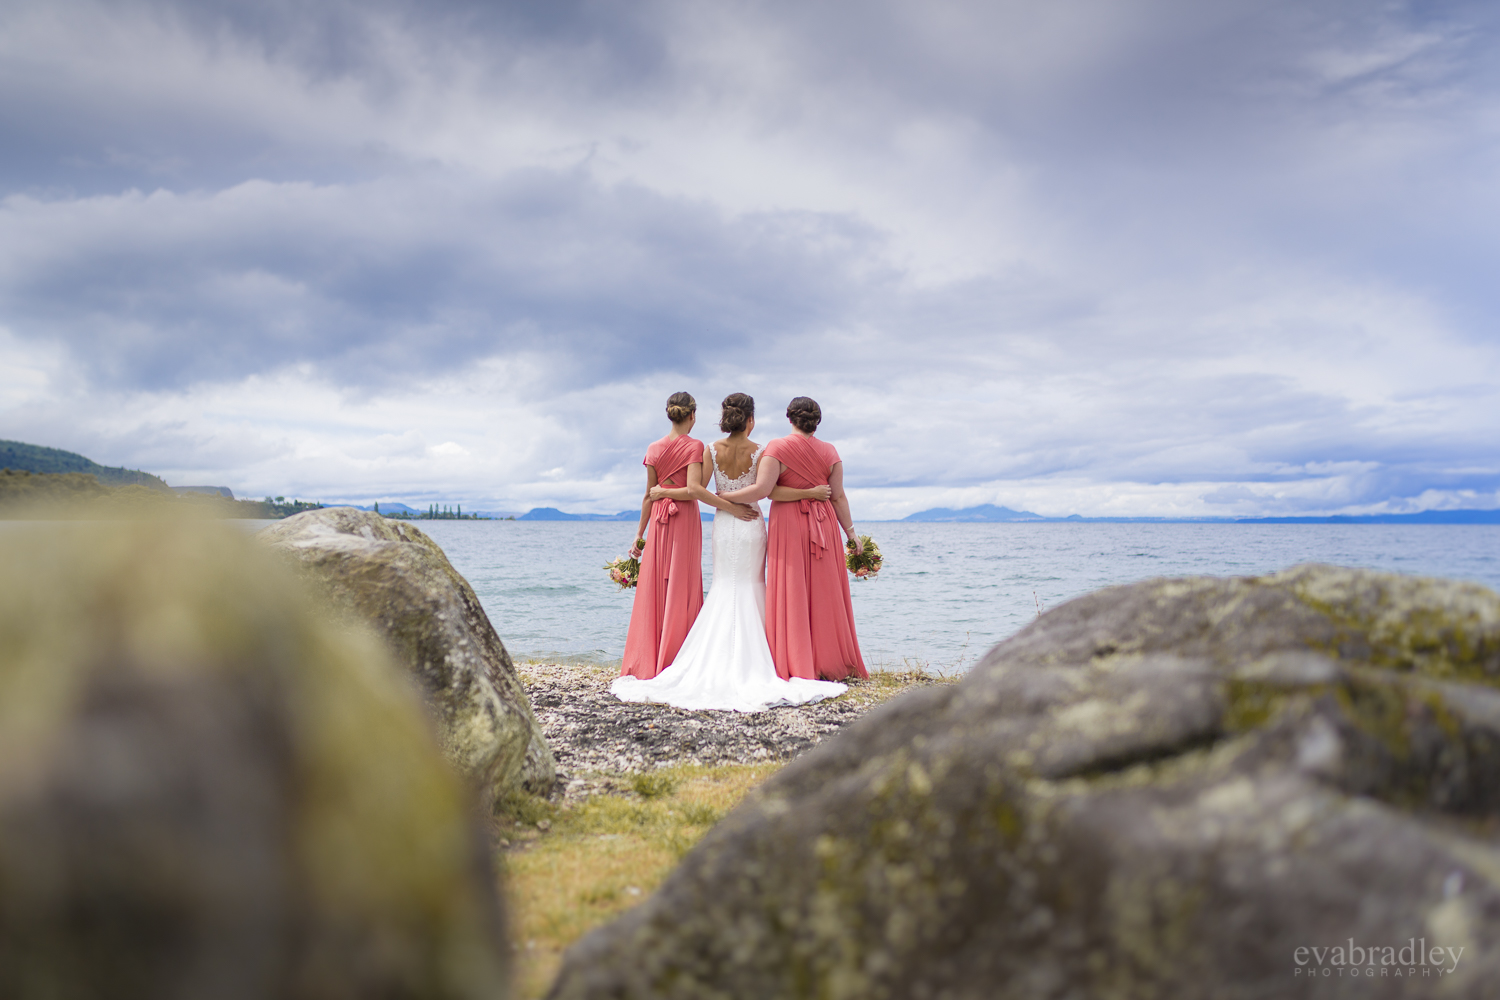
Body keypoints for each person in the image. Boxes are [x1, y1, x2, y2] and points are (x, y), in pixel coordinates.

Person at [611, 393, 846, 710]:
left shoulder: (709, 450)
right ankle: (767, 659)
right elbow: (765, 491)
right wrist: (742, 505)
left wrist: (723, 504)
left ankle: (711, 657)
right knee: (752, 583)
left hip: (724, 524)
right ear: (751, 419)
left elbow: (698, 491)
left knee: (724, 584)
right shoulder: (762, 450)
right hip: (750, 522)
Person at [720, 396, 867, 681]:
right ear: (817, 422)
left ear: (789, 418)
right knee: (825, 593)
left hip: (789, 525)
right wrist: (850, 533)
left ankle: (795, 659)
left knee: (793, 590)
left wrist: (726, 497)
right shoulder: (831, 451)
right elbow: (837, 496)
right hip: (825, 528)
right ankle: (829, 661)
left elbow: (764, 490)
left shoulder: (777, 447)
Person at [619, 392, 708, 680]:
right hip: (683, 521)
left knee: (656, 585)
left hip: (658, 521)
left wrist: (639, 535)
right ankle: (679, 657)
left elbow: (649, 495)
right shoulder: (695, 446)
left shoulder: (654, 448)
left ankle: (651, 657)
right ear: (692, 415)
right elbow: (694, 490)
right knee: (682, 583)